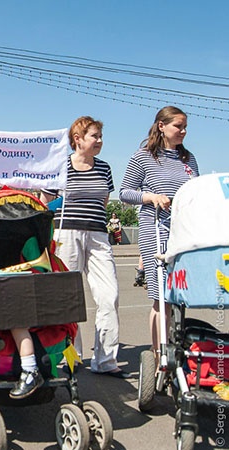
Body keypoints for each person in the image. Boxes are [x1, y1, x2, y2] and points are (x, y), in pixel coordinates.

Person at [40, 116, 126, 378]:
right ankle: (71, 357)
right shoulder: (60, 166)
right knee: (68, 297)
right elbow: (45, 203)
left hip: (98, 236)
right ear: (77, 139)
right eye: (94, 136)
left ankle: (105, 360)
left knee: (109, 295)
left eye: (100, 136)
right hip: (67, 233)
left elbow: (103, 201)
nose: (99, 141)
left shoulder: (105, 168)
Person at [119, 105, 198, 357]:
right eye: (178, 126)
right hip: (157, 231)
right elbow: (125, 192)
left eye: (185, 127)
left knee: (180, 296)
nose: (183, 131)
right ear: (161, 126)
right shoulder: (143, 157)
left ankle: (178, 350)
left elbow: (196, 190)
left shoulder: (189, 159)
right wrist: (151, 196)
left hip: (185, 233)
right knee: (160, 297)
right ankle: (157, 355)